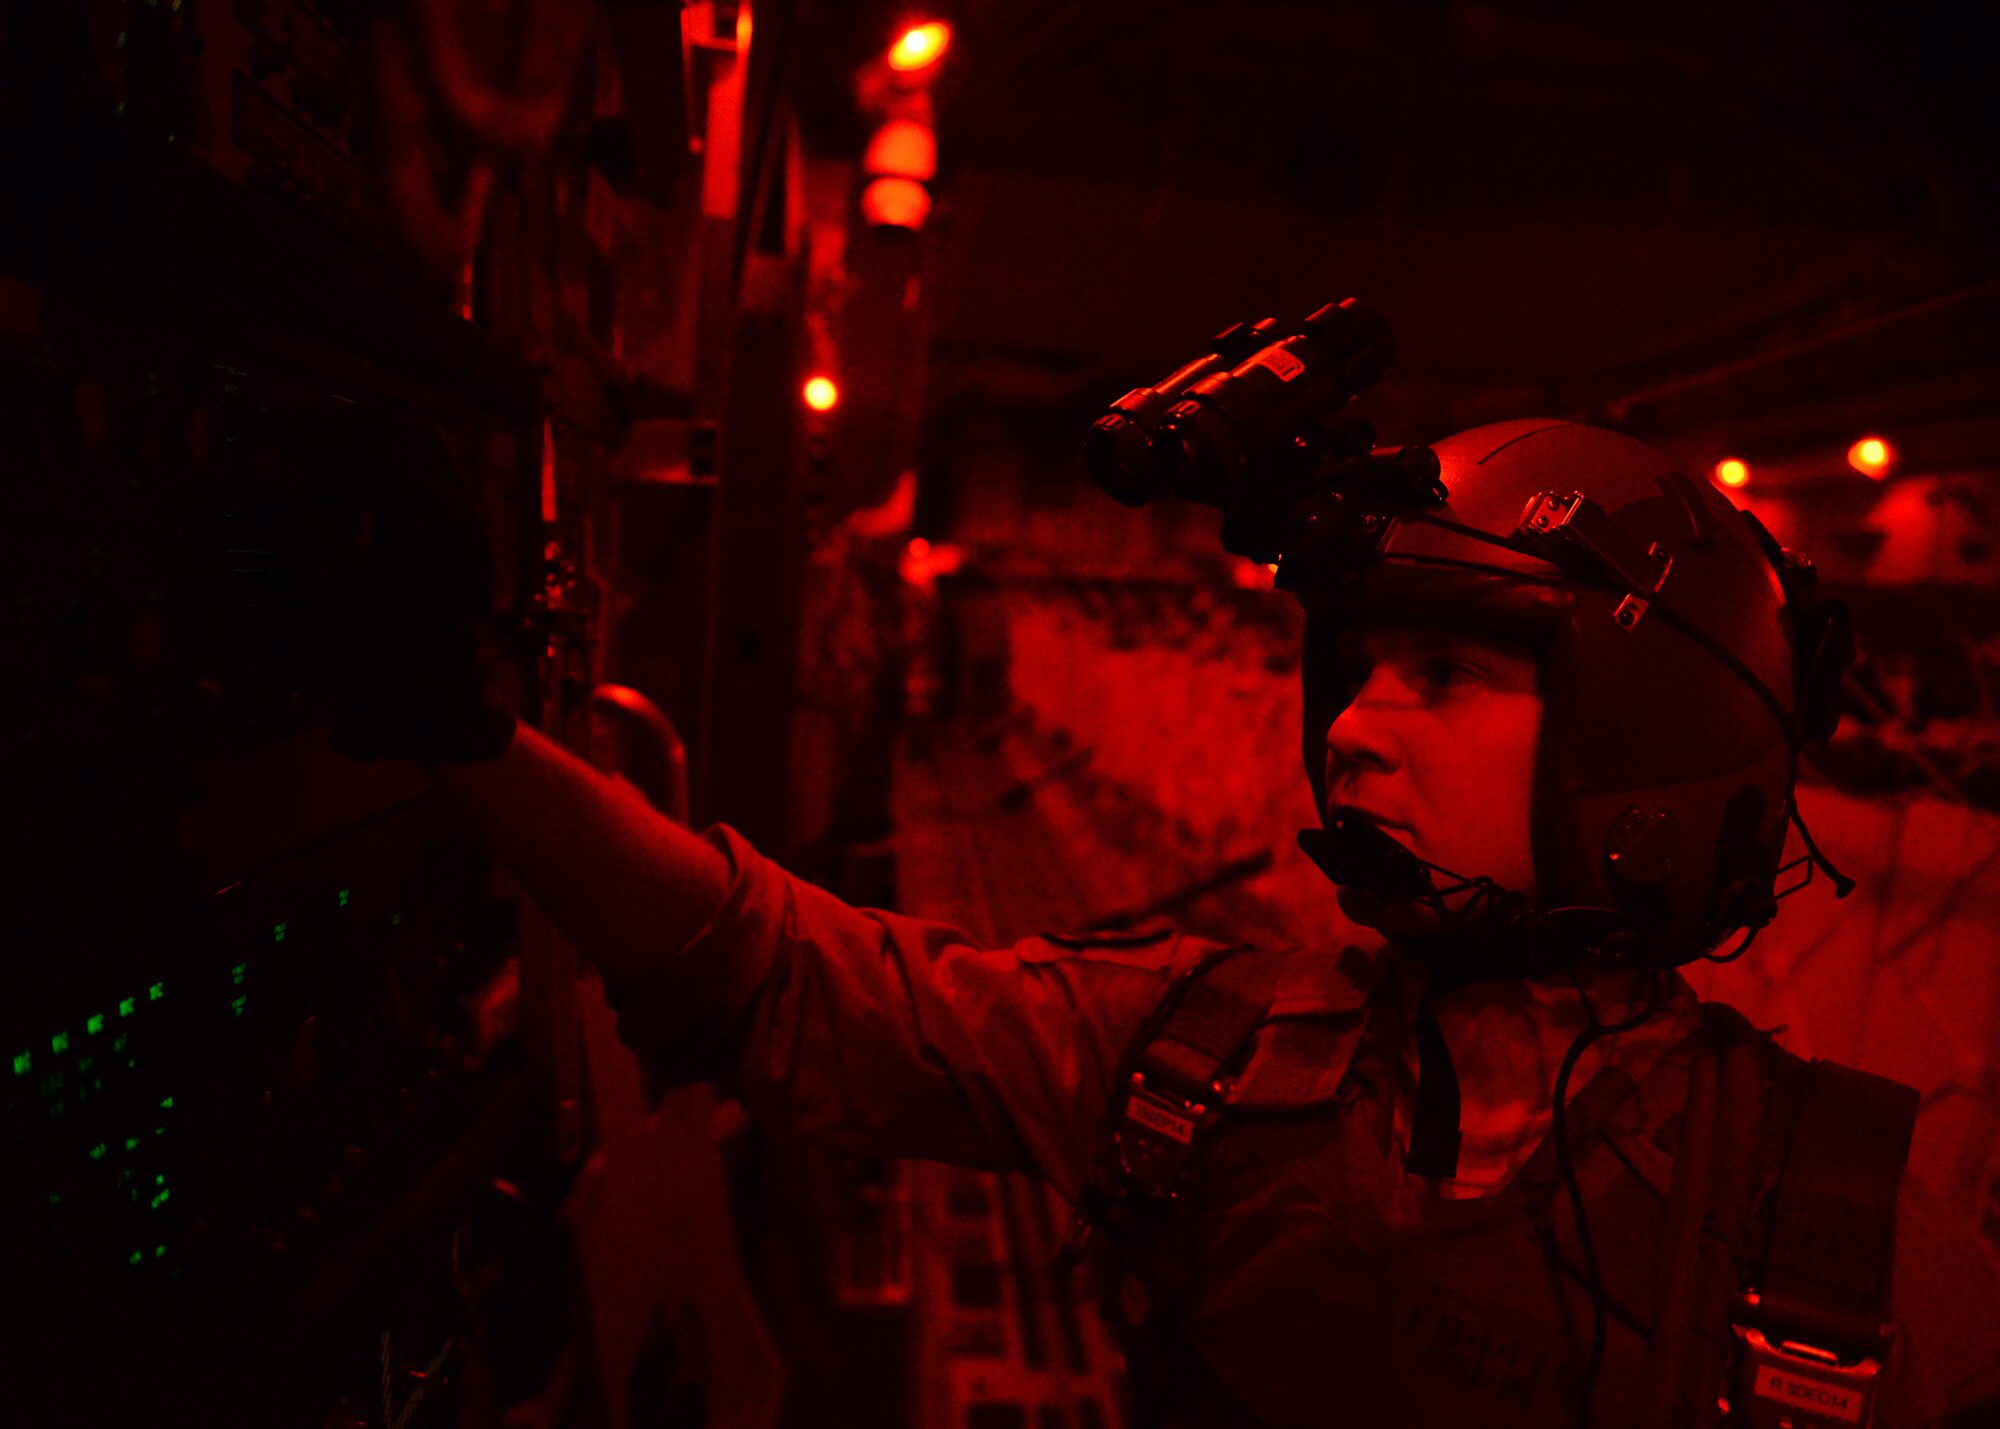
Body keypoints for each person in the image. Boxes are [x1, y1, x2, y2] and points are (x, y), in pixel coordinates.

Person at [330, 410, 2000, 1428]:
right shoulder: (1211, 1060)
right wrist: (471, 739)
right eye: (1351, 672)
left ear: (1638, 753)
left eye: (1440, 675)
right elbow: (800, 979)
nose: (1349, 726)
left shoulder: (1873, 1230)